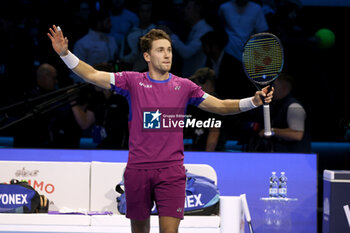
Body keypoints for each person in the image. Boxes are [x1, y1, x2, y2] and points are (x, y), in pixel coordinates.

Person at [47, 26, 273, 233]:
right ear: (147, 56)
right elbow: (92, 75)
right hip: (137, 171)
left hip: (171, 172)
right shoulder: (132, 81)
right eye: (161, 50)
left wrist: (253, 101)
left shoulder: (185, 86)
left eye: (170, 50)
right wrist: (65, 54)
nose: (167, 55)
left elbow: (221, 106)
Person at [71, 63, 129, 149]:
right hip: (102, 148)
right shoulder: (97, 99)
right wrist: (73, 102)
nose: (92, 80)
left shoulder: (123, 97)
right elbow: (85, 123)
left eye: (94, 77)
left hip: (121, 149)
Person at [248, 73, 311, 153]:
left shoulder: (294, 107)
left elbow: (297, 135)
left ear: (284, 87)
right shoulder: (276, 105)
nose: (271, 89)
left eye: (274, 86)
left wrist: (270, 131)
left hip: (295, 160)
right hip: (280, 159)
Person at [70, 10, 118, 83]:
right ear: (99, 23)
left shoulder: (112, 40)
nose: (110, 25)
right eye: (108, 22)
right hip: (90, 84)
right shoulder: (82, 44)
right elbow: (76, 71)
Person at [185, 67, 224, 152]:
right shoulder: (198, 101)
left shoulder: (214, 101)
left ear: (206, 82)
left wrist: (207, 156)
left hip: (213, 154)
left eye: (198, 82)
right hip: (199, 150)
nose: (196, 85)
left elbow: (214, 132)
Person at [170, 0, 213, 78]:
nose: (185, 10)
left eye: (188, 8)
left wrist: (171, 35)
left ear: (197, 12)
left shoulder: (204, 30)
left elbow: (187, 53)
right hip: (192, 77)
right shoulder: (193, 28)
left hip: (199, 79)